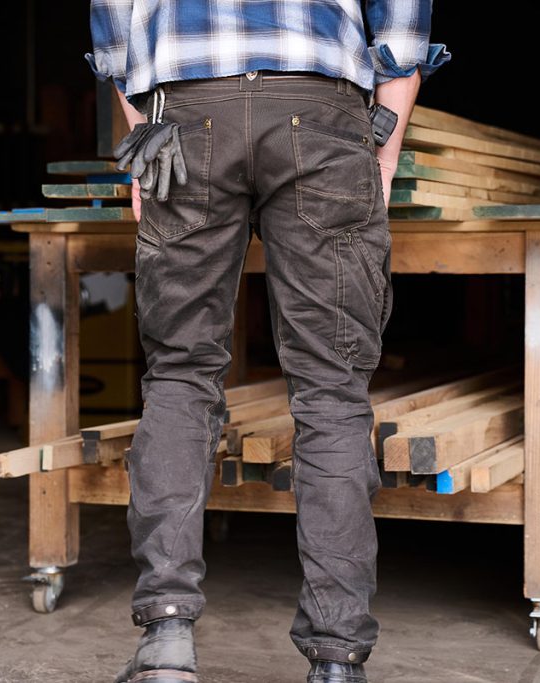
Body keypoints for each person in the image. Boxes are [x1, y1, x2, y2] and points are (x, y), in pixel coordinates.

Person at [86, 3, 449, 682]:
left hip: (186, 112)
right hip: (322, 110)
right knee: (333, 390)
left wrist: (143, 131)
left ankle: (166, 640)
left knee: (180, 375)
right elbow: (401, 23)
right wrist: (386, 152)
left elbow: (112, 19)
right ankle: (337, 658)